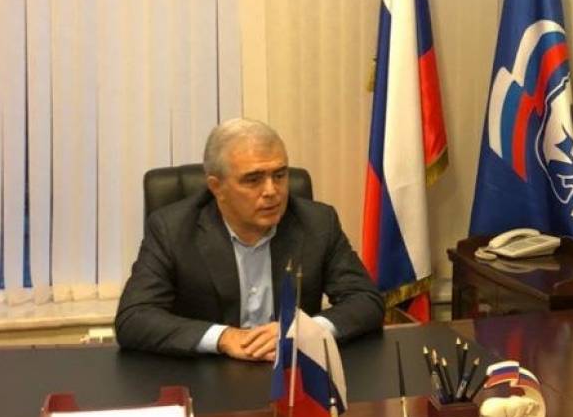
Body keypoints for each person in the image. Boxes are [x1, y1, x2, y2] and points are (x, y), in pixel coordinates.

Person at [115, 118, 384, 360]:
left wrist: (305, 330)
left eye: (279, 175)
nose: (271, 191)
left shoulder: (317, 222)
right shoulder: (172, 229)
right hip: (208, 377)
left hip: (291, 377)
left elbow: (366, 300)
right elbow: (134, 318)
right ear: (216, 187)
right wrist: (224, 337)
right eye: (253, 180)